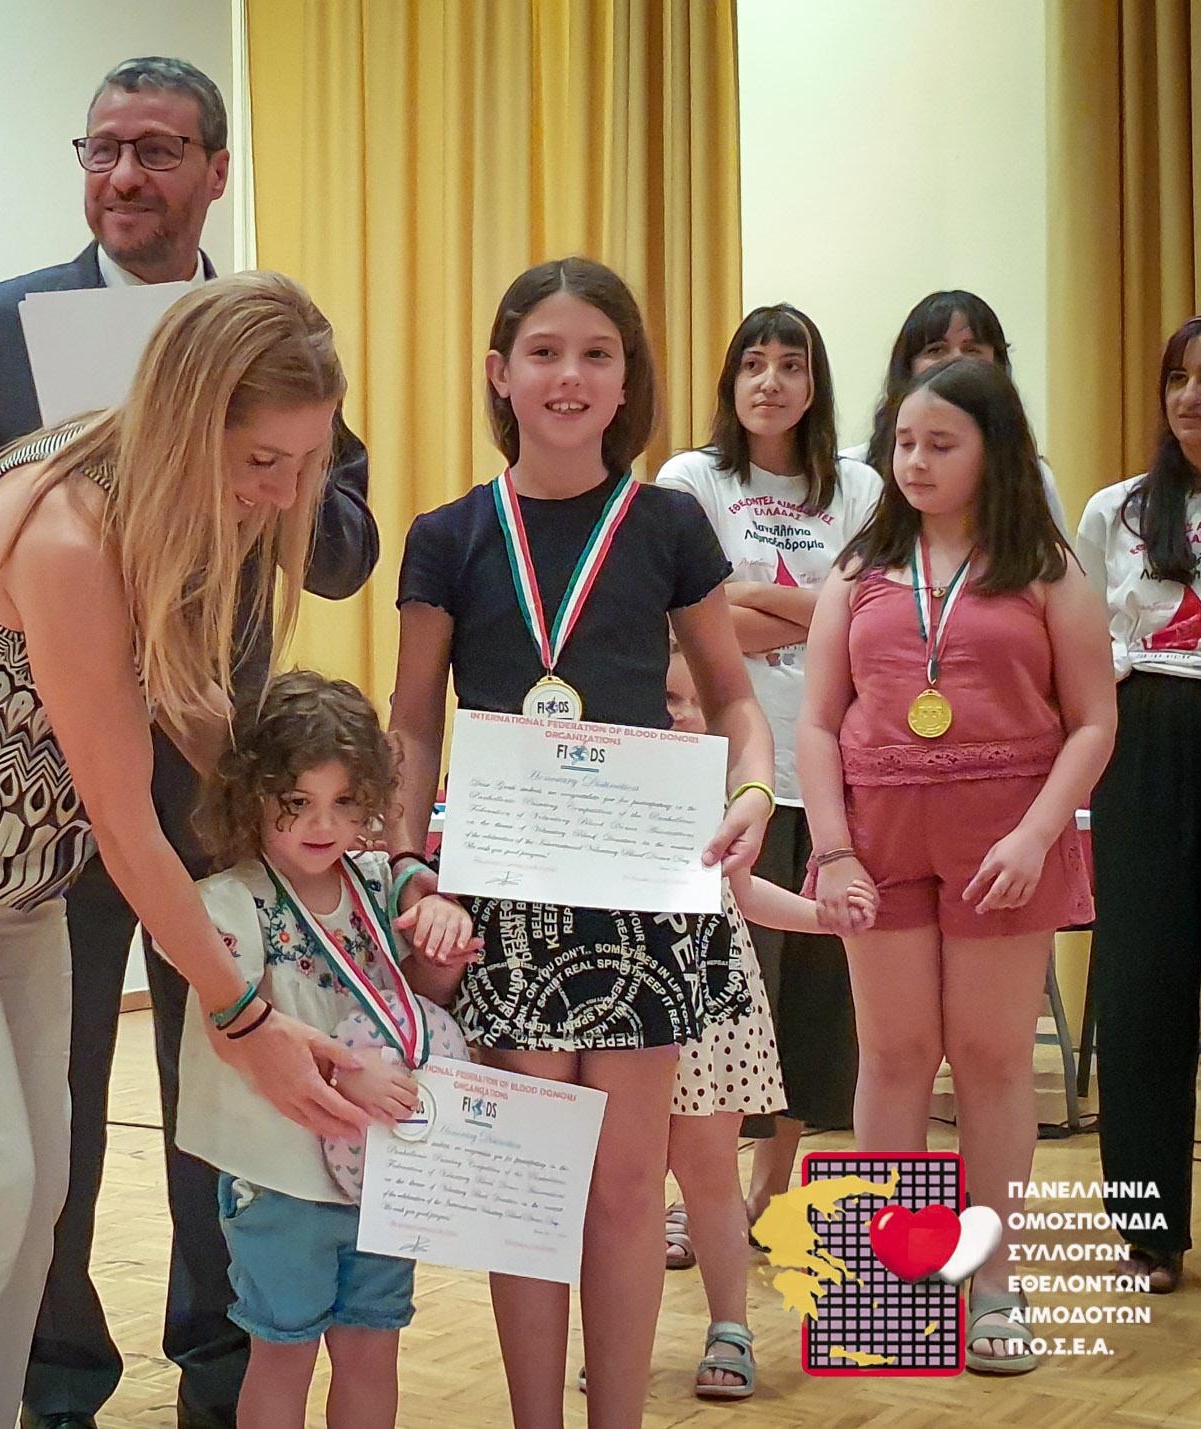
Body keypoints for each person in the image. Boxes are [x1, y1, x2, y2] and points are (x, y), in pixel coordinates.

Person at [0, 274, 375, 1429]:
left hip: (14, 881)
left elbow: (192, 719)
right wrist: (243, 1016)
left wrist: (319, 832)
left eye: (306, 462)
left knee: (31, 1191)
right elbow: (125, 815)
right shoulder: (67, 526)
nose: (284, 493)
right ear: (189, 418)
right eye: (261, 460)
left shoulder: (172, 510)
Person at [0, 56, 376, 1429]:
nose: (124, 177)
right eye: (101, 149)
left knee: (227, 1087)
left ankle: (221, 1369)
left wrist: (258, 483)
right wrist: (66, 476)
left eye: (156, 151)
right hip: (39, 785)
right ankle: (56, 1381)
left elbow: (345, 548)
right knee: (57, 1111)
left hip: (217, 779)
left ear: (216, 170)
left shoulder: (270, 336)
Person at [390, 256, 773, 1429]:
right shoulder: (447, 534)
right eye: (544, 352)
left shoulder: (667, 524)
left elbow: (733, 695)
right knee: (526, 1190)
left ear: (625, 378)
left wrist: (752, 789)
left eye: (595, 354)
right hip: (499, 896)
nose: (569, 375)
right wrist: (408, 865)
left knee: (622, 1187)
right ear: (498, 373)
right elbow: (411, 721)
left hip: (640, 893)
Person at [798, 356, 1116, 1373]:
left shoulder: (1046, 567)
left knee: (989, 1060)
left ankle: (991, 1283)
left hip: (1003, 845)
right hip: (878, 841)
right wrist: (833, 851)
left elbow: (1093, 721)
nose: (915, 462)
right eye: (902, 443)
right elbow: (816, 722)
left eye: (941, 444)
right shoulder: (858, 568)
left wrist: (1036, 834)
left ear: (994, 451)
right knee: (893, 1057)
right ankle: (892, 1286)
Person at [175, 671, 477, 1429]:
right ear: (253, 796)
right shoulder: (229, 901)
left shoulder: (380, 886)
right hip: (283, 1180)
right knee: (284, 1353)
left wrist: (442, 949)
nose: (323, 823)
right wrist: (348, 1080)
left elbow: (418, 1001)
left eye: (345, 801)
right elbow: (232, 1031)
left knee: (373, 1349)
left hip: (384, 1172)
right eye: (297, 801)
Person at [655, 304, 881, 1251]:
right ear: (730, 379)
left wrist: (747, 600)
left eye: (792, 364)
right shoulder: (692, 479)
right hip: (718, 771)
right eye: (753, 362)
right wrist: (812, 608)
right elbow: (688, 622)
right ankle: (690, 1191)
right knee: (710, 995)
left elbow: (867, 620)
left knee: (809, 999)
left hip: (826, 770)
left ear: (815, 384)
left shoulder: (860, 487)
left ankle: (770, 1188)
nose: (771, 381)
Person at [1075, 312, 1201, 1297]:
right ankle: (1146, 1230)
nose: (1189, 396)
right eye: (1176, 378)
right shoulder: (1116, 510)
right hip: (1140, 745)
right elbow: (1082, 639)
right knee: (1138, 989)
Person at [847, 290, 1068, 533]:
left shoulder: (1031, 475)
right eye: (936, 350)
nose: (955, 361)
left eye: (971, 350)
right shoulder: (856, 472)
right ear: (907, 366)